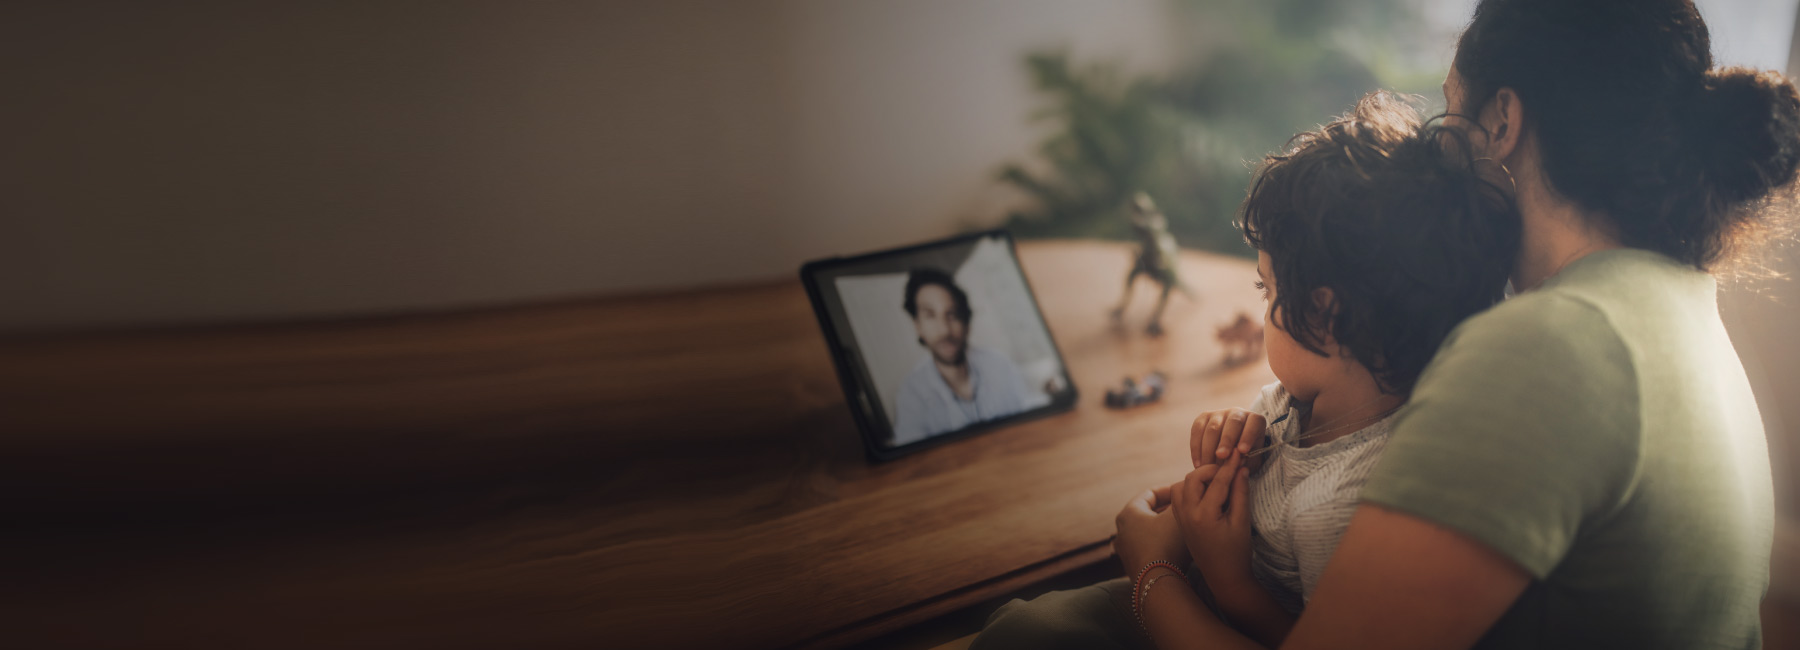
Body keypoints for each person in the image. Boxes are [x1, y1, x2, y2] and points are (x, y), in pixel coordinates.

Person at [1012, 0, 1798, 648]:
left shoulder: (1555, 347)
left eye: (1452, 116)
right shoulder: (1674, 295)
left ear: (1502, 121)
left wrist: (1153, 576)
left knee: (1036, 631)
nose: (1439, 155)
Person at [972, 90, 1518, 649]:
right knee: (1022, 626)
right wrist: (1227, 435)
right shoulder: (1308, 398)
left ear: (1322, 314)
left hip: (1224, 614)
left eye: (1267, 287)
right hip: (1198, 584)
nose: (1261, 305)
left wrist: (1173, 572)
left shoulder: (1345, 508)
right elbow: (1271, 458)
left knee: (1025, 634)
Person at [890, 268, 1036, 445]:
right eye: (930, 316)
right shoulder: (910, 394)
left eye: (952, 315)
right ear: (917, 326)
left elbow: (1032, 412)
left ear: (966, 323)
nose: (944, 330)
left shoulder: (999, 364)